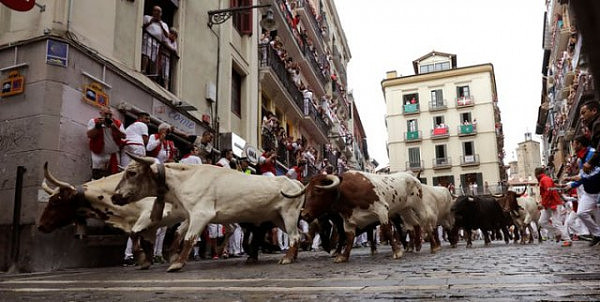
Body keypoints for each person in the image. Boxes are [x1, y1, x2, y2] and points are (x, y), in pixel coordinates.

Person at [562, 135, 600, 246]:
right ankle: (597, 234)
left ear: (579, 144)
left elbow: (595, 172)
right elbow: (583, 176)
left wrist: (573, 181)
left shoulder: (593, 153)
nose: (573, 146)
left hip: (598, 190)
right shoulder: (580, 159)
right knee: (581, 212)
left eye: (574, 144)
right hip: (589, 192)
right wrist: (572, 184)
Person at [535, 167, 572, 247]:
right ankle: (557, 233)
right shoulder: (545, 179)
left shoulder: (544, 179)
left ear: (536, 174)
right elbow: (551, 187)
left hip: (553, 203)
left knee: (556, 222)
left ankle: (567, 239)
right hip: (549, 204)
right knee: (542, 222)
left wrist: (543, 203)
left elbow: (549, 191)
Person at [86, 106, 126, 180]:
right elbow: (89, 135)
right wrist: (97, 126)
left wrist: (114, 127)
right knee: (97, 175)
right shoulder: (94, 121)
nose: (108, 116)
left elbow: (124, 136)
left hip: (113, 153)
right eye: (106, 114)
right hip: (98, 153)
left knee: (112, 176)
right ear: (101, 113)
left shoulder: (117, 123)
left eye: (110, 115)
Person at [142, 5, 169, 74]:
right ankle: (144, 69)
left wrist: (161, 26)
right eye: (155, 10)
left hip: (157, 43)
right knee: (146, 53)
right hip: (148, 39)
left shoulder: (164, 24)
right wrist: (150, 22)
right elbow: (142, 27)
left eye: (158, 11)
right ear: (153, 12)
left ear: (161, 14)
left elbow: (167, 36)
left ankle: (150, 74)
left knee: (153, 59)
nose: (157, 13)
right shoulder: (147, 18)